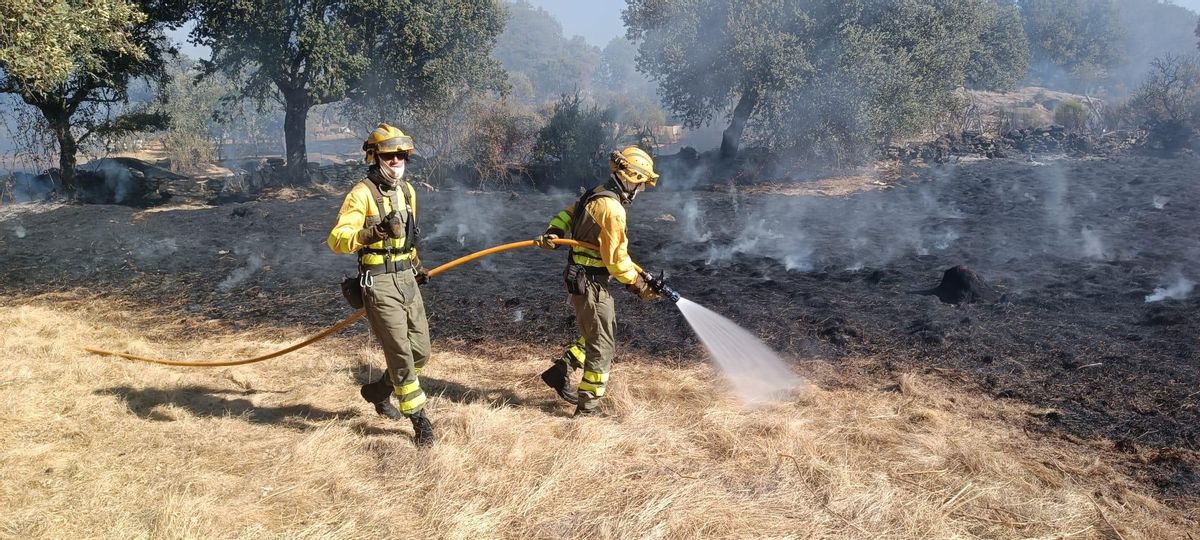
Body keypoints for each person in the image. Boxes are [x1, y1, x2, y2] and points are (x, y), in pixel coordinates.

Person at [534, 146, 664, 416]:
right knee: (602, 345)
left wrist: (554, 230)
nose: (640, 191)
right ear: (632, 178)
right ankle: (587, 410)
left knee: (598, 332)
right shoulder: (612, 209)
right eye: (641, 185)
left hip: (581, 279)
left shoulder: (596, 192)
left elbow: (568, 214)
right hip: (591, 284)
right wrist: (641, 286)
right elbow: (617, 262)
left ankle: (562, 370)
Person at [327, 123, 435, 446]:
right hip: (379, 284)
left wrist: (416, 267)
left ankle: (378, 390)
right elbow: (337, 239)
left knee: (421, 351)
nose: (397, 160)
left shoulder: (408, 192)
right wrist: (372, 233)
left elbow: (409, 239)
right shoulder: (361, 194)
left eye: (402, 154)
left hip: (406, 281)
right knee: (401, 353)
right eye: (390, 155)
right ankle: (419, 421)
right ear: (375, 158)